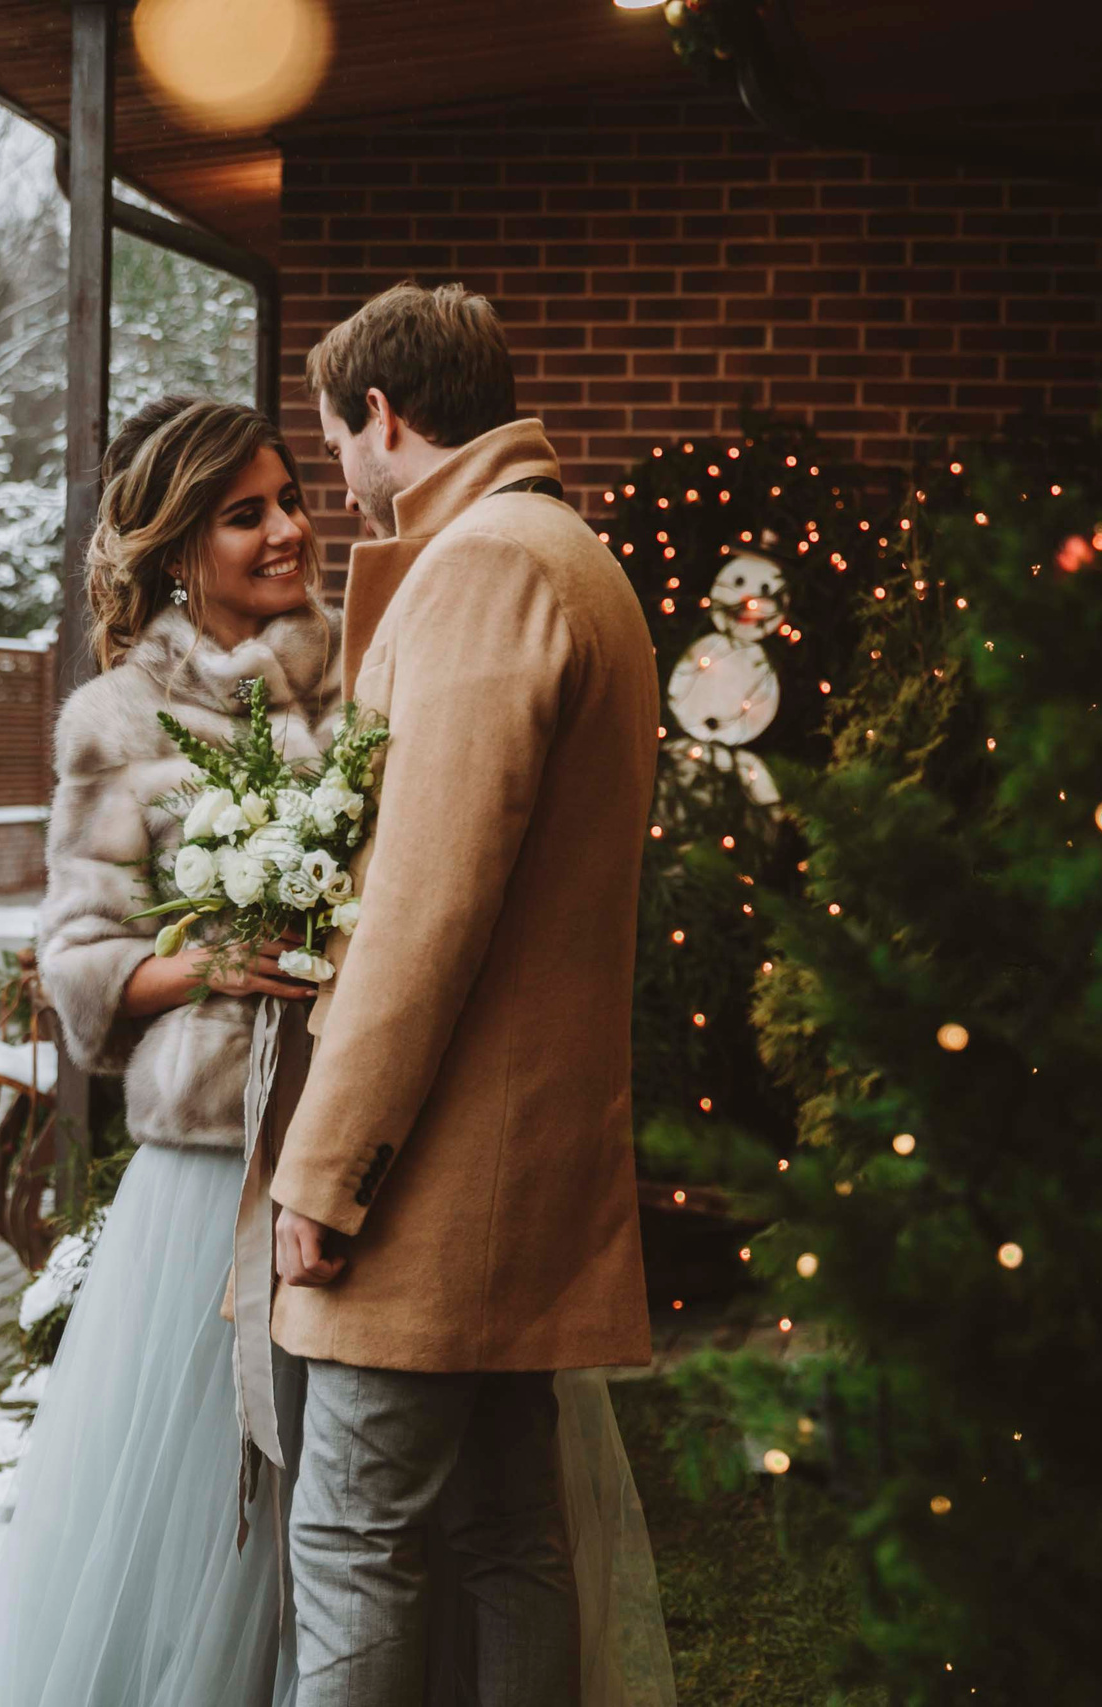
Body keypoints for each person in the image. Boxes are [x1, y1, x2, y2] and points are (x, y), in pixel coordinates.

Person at [255, 282, 663, 1707]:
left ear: (382, 414)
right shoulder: (566, 552)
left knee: (352, 1539)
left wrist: (327, 1172)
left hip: (436, 1168)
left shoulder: (487, 565)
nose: (337, 482)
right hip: (511, 1156)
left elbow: (424, 913)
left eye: (332, 445)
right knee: (503, 1533)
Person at [0, 395, 334, 1707]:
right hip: (209, 1178)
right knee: (205, 1516)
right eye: (246, 515)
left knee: (359, 1510)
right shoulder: (117, 720)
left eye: (291, 499)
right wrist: (212, 961)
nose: (288, 530)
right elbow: (78, 960)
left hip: (358, 1139)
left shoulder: (363, 680)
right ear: (177, 549)